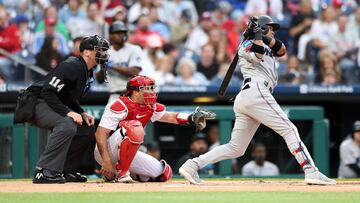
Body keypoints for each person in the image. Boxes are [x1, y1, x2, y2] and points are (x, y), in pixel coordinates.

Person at [179, 15, 336, 185]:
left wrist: (262, 35)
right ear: (261, 28)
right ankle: (311, 170)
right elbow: (257, 56)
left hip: (251, 96)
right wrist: (257, 35)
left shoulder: (267, 42)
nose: (274, 31)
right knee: (289, 129)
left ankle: (192, 165)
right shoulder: (246, 44)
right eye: (270, 28)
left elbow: (282, 50)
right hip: (255, 91)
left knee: (236, 148)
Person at [21, 35, 110, 184]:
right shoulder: (71, 65)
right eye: (99, 50)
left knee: (86, 127)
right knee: (67, 123)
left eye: (104, 50)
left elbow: (68, 96)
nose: (103, 54)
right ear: (87, 52)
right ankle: (44, 171)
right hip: (35, 102)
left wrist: (80, 111)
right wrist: (68, 112)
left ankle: (65, 170)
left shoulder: (87, 71)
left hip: (49, 102)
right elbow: (47, 91)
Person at [94, 75, 215, 183]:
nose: (151, 92)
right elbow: (100, 133)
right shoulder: (119, 105)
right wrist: (106, 160)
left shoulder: (150, 107)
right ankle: (122, 173)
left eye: (152, 88)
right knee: (135, 126)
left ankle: (117, 174)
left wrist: (191, 118)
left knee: (164, 173)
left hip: (126, 154)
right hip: (106, 151)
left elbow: (171, 117)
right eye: (147, 88)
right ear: (135, 92)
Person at [96, 21, 142, 104]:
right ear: (110, 35)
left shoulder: (134, 49)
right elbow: (100, 80)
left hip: (132, 95)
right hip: (114, 96)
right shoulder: (105, 52)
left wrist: (111, 66)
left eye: (123, 33)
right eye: (118, 33)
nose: (122, 35)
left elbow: (135, 72)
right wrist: (103, 66)